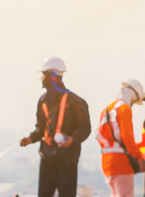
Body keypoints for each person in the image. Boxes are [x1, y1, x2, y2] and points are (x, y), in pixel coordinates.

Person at [19, 57, 91, 197]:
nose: (42, 79)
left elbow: (85, 127)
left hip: (67, 159)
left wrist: (72, 139)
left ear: (53, 75)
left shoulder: (75, 101)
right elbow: (41, 129)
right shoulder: (43, 101)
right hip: (47, 157)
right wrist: (30, 139)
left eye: (44, 75)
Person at [97, 79, 145, 197]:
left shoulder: (107, 109)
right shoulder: (124, 109)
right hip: (121, 164)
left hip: (107, 163)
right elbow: (127, 137)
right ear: (133, 95)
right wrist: (139, 158)